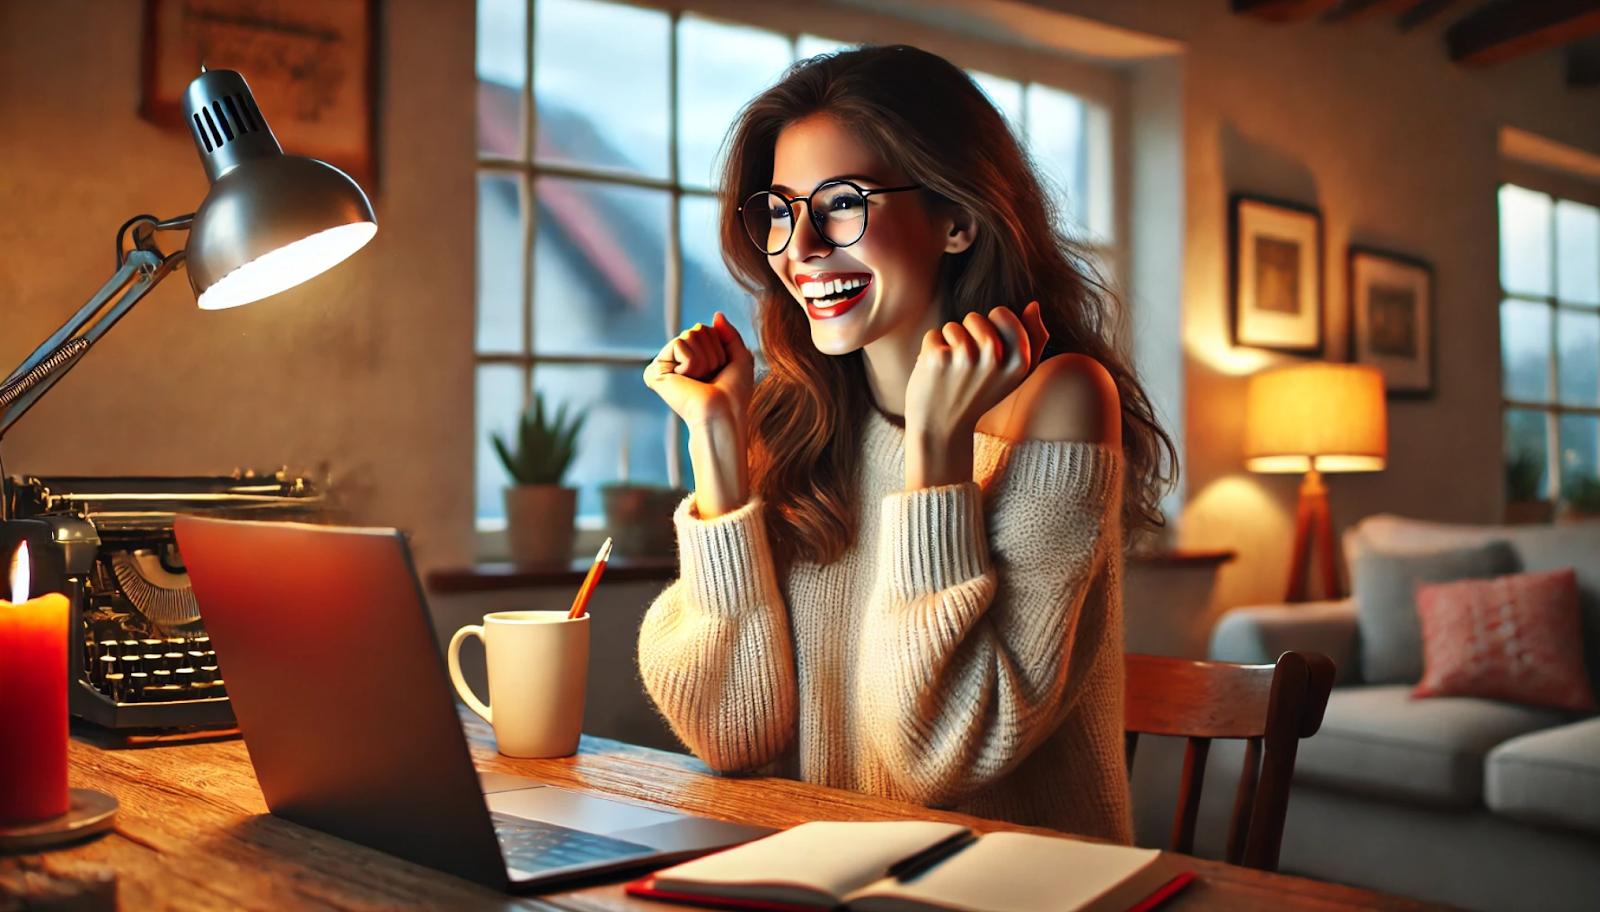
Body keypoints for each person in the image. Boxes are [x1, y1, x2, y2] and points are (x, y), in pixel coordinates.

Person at [637, 45, 1174, 844]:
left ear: (956, 217)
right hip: (819, 880)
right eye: (780, 211)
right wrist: (717, 443)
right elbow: (731, 733)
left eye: (842, 203)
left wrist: (937, 445)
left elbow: (942, 755)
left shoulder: (1058, 401)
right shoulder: (797, 417)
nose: (802, 247)